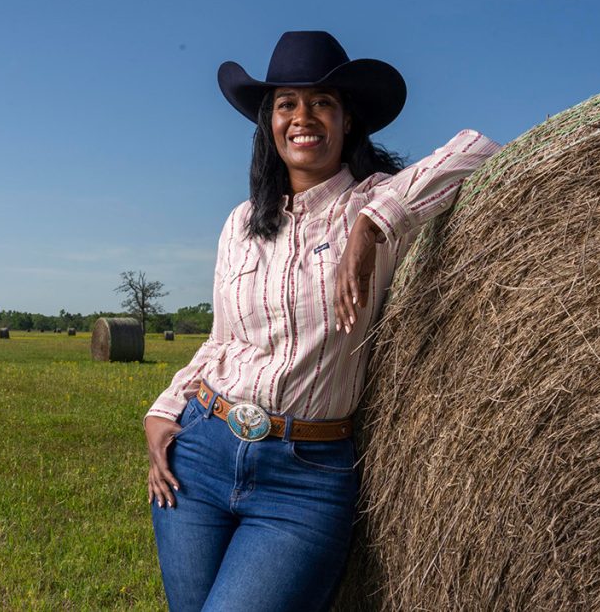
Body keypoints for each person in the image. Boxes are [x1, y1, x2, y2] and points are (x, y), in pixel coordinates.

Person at [144, 31, 501, 612]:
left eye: (322, 102)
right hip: (201, 454)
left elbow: (481, 149)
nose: (302, 117)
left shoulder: (381, 204)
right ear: (269, 123)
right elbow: (222, 340)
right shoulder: (241, 223)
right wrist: (163, 409)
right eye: (286, 103)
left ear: (348, 122)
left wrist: (370, 224)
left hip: (304, 478)